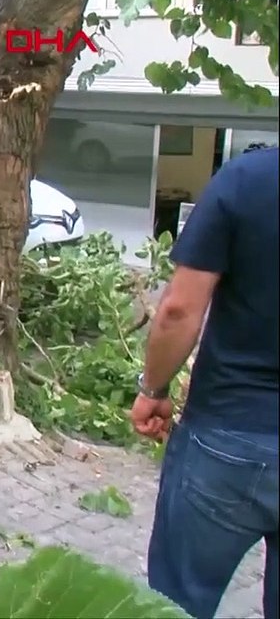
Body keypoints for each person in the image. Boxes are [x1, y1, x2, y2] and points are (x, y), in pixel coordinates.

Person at [132, 146, 278, 619]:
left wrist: (153, 390)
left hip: (227, 437)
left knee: (175, 605)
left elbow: (178, 310)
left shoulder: (245, 180)